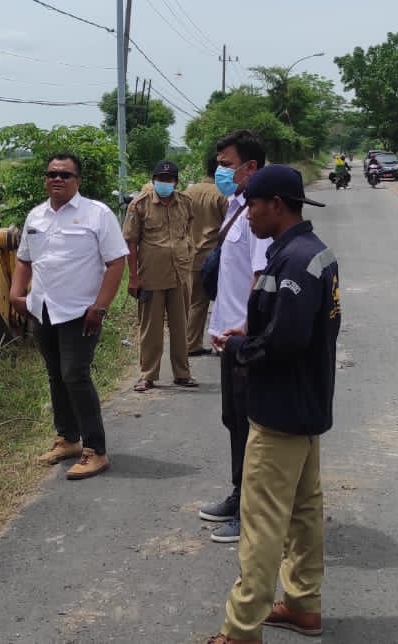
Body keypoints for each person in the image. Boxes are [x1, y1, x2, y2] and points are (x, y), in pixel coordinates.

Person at [207, 164, 340, 644]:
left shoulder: (293, 263)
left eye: (251, 206)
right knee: (304, 509)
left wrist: (243, 349)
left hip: (280, 410)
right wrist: (253, 330)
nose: (245, 216)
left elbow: (286, 340)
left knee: (261, 521)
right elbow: (288, 326)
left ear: (276, 205)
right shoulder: (310, 253)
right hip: (306, 406)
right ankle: (304, 605)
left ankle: (241, 629)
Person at [9, 153, 128, 480]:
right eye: (51, 174)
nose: (56, 179)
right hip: (43, 309)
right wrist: (16, 294)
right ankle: (68, 438)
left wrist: (100, 307)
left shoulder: (97, 214)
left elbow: (116, 262)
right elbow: (24, 260)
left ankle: (95, 450)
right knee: (56, 375)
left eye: (64, 174)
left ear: (78, 180)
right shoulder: (36, 216)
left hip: (81, 311)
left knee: (75, 375)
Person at [198, 130, 271, 544]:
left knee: (252, 425)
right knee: (234, 419)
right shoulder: (234, 206)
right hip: (227, 335)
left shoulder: (257, 214)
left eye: (226, 164)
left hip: (245, 338)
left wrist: (250, 332)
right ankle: (239, 492)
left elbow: (260, 278)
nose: (219, 170)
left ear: (250, 168)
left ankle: (253, 511)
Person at [123, 159, 196, 391]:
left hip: (180, 274)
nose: (165, 183)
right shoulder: (139, 205)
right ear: (154, 180)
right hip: (151, 276)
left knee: (181, 326)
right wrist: (133, 277)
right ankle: (148, 375)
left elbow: (188, 229)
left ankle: (182, 373)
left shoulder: (185, 202)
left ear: (176, 182)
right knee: (151, 328)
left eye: (169, 179)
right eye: (161, 179)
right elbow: (131, 243)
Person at [183, 157, 228, 358]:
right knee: (222, 299)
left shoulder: (188, 192)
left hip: (190, 254)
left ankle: (189, 342)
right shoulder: (222, 194)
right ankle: (219, 341)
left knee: (195, 302)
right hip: (215, 256)